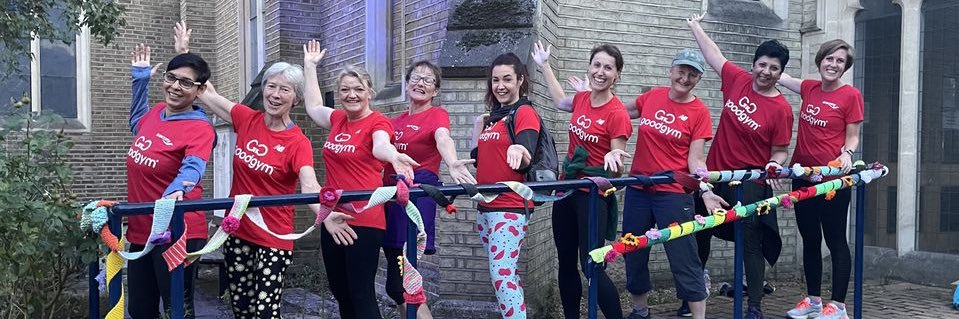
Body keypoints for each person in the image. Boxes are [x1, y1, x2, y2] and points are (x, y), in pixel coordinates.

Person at [168, 22, 356, 318]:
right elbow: (206, 93)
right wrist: (185, 55)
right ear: (263, 89)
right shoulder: (247, 119)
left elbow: (308, 184)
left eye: (285, 89)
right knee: (241, 309)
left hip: (273, 238)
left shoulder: (298, 143)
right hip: (237, 232)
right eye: (271, 86)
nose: (276, 94)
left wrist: (326, 214)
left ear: (295, 99)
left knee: (265, 311)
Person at [687, 13, 795, 319]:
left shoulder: (782, 109)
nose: (766, 71)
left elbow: (781, 150)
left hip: (749, 181)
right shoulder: (736, 79)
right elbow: (714, 55)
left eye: (774, 68)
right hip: (714, 173)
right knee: (700, 233)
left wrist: (774, 165)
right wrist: (696, 25)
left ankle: (754, 306)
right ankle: (695, 293)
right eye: (762, 64)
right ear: (754, 64)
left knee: (750, 240)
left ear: (780, 73)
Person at [302, 39, 418, 319]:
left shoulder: (377, 122)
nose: (351, 95)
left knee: (361, 292)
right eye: (345, 90)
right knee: (341, 292)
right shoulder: (339, 120)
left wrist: (392, 156)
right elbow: (314, 106)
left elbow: (380, 145)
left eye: (358, 89)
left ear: (369, 92)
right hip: (331, 216)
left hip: (363, 220)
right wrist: (309, 67)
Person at [605, 48, 721, 319]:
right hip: (639, 190)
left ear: (699, 79)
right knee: (633, 249)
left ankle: (698, 316)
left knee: (684, 255)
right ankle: (640, 310)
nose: (685, 77)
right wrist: (591, 97)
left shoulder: (699, 112)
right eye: (681, 70)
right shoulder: (652, 96)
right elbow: (617, 113)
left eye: (692, 74)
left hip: (673, 194)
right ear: (671, 71)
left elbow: (696, 160)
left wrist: (705, 190)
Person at [530, 41, 632, 319]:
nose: (601, 71)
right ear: (589, 67)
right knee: (565, 262)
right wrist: (544, 65)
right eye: (596, 65)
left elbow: (617, 162)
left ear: (617, 75)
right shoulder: (583, 99)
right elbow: (561, 100)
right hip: (567, 190)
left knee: (592, 265)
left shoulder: (617, 113)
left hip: (592, 196)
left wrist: (614, 159)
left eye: (608, 67)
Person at [381, 60, 476, 319]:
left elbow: (443, 138)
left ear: (435, 91)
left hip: (414, 196)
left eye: (428, 80)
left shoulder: (437, 115)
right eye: (416, 77)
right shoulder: (395, 121)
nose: (420, 83)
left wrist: (452, 161)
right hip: (389, 196)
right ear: (407, 82)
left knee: (403, 280)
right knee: (395, 284)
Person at [126, 43, 214, 319]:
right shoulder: (157, 113)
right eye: (171, 77)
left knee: (177, 309)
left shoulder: (200, 127)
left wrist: (178, 188)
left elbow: (194, 166)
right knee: (140, 309)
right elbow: (136, 122)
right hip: (142, 228)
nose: (176, 86)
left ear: (200, 90)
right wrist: (140, 82)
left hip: (177, 232)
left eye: (186, 82)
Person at [779, 39, 863, 319]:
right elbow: (780, 76)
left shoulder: (850, 95)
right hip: (803, 175)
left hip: (833, 179)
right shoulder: (809, 88)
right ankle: (813, 299)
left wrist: (847, 153)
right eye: (829, 59)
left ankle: (837, 305)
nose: (833, 64)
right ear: (820, 61)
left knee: (836, 239)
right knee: (810, 239)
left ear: (845, 67)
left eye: (840, 61)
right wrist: (761, 68)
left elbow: (852, 134)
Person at [470, 52, 540, 319]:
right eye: (495, 80)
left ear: (520, 80)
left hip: (509, 207)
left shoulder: (524, 112)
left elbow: (527, 151)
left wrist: (519, 150)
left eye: (507, 79)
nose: (500, 85)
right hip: (485, 207)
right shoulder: (494, 118)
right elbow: (479, 160)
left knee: (502, 275)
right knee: (504, 275)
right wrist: (479, 125)